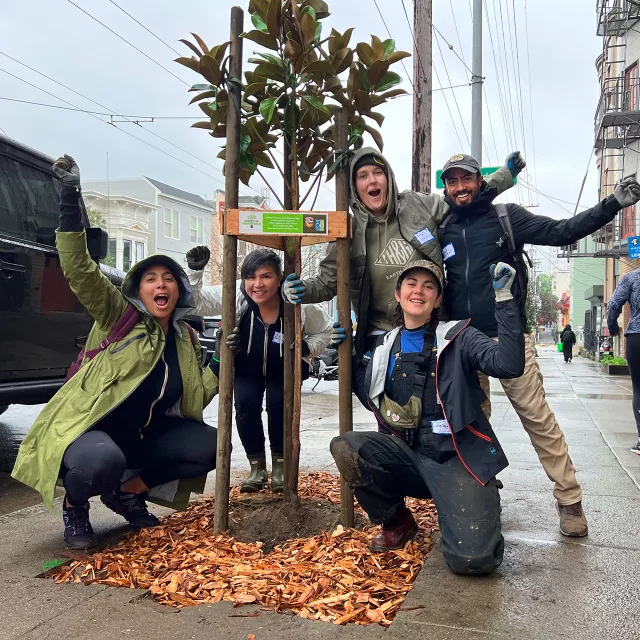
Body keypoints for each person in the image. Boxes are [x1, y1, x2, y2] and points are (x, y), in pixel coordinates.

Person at [11, 156, 219, 550]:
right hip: (95, 432)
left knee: (213, 445)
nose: (161, 285)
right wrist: (70, 198)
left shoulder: (185, 340)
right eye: (151, 280)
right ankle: (76, 505)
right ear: (138, 291)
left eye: (169, 279)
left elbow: (195, 396)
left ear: (179, 292)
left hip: (145, 437)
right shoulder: (117, 317)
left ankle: (127, 492)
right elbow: (79, 268)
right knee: (99, 462)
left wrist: (225, 361)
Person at [438, 152, 640, 537]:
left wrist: (612, 204)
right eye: (453, 181)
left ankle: (569, 499)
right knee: (467, 421)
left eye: (467, 179)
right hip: (462, 341)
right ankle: (481, 488)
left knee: (537, 418)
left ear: (480, 182)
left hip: (508, 336)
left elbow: (563, 230)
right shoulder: (443, 225)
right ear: (446, 187)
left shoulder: (506, 217)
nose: (460, 187)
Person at [330, 259, 523, 575]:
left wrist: (505, 301)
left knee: (473, 562)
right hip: (409, 459)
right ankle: (397, 521)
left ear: (437, 300)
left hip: (458, 460)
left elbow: (508, 365)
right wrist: (344, 352)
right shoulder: (384, 347)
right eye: (411, 284)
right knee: (347, 448)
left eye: (428, 286)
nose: (418, 291)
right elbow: (371, 400)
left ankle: (477, 501)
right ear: (398, 294)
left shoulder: (460, 337)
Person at [281, 148, 523, 355]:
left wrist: (504, 176)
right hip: (381, 335)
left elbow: (459, 197)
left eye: (378, 173)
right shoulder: (348, 231)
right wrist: (300, 290)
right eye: (363, 176)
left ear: (388, 178)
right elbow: (327, 283)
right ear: (354, 187)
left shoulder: (417, 205)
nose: (372, 181)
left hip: (430, 327)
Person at [185, 245, 342, 492]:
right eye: (250, 277)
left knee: (280, 408)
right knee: (246, 407)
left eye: (265, 276)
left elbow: (327, 330)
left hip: (285, 370)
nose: (257, 284)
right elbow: (196, 303)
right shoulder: (235, 296)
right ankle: (257, 468)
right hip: (246, 368)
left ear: (279, 279)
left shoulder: (297, 305)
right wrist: (195, 272)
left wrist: (306, 348)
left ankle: (280, 468)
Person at [607, 268, 640, 455]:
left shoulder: (632, 277)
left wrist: (612, 327)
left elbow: (613, 305)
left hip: (637, 336)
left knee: (639, 388)